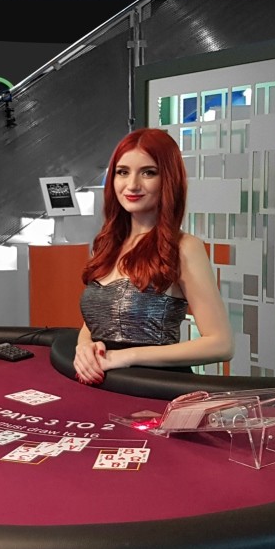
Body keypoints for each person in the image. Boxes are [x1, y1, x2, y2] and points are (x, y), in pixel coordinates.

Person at [73, 127, 233, 385]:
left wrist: (125, 357)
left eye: (148, 172)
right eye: (122, 172)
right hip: (102, 387)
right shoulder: (106, 243)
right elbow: (94, 322)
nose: (132, 185)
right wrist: (84, 348)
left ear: (168, 179)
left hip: (156, 388)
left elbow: (221, 344)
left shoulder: (184, 247)